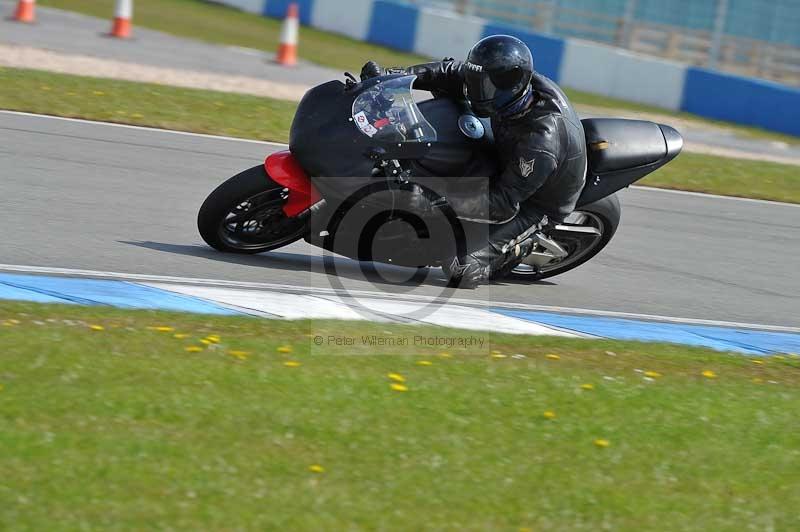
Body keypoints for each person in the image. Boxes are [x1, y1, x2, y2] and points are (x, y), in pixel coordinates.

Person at [360, 35, 587, 288]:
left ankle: (521, 245)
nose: (474, 91)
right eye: (476, 81)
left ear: (509, 87)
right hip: (506, 149)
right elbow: (450, 72)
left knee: (462, 270)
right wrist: (393, 78)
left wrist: (432, 199)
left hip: (534, 202)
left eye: (484, 86)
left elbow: (502, 203)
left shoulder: (540, 143)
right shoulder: (509, 87)